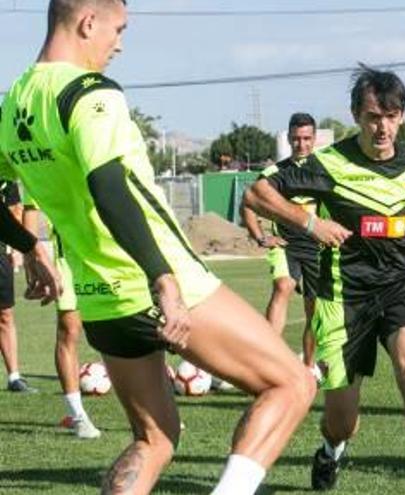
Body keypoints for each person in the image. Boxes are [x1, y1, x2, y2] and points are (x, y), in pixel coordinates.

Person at [0, 1, 316, 493]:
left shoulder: (15, 101)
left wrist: (31, 246)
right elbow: (109, 185)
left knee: (156, 440)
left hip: (100, 299)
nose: (119, 44)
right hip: (161, 282)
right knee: (294, 383)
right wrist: (161, 277)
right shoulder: (88, 93)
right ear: (88, 22)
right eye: (118, 30)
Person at [244, 66, 405, 495]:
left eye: (392, 116)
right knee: (344, 421)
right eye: (374, 116)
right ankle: (330, 449)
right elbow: (256, 194)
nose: (383, 127)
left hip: (401, 284)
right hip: (344, 296)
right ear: (357, 115)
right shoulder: (327, 163)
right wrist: (309, 223)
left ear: (401, 116)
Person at [241, 112, 320, 366]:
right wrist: (261, 237)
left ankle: (308, 367)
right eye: (296, 139)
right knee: (283, 286)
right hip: (286, 244)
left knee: (315, 309)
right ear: (288, 139)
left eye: (307, 138)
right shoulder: (274, 173)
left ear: (314, 139)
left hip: (319, 249)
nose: (302, 144)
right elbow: (248, 203)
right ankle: (267, 362)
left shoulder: (325, 171)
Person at [22, 200, 101, 438]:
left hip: (109, 256)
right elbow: (30, 210)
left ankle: (153, 412)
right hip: (68, 261)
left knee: (131, 328)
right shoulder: (45, 167)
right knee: (69, 331)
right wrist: (32, 257)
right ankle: (78, 416)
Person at [0, 181, 35, 393]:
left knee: (5, 313)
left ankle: (14, 377)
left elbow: (14, 211)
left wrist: (17, 250)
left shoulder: (5, 179)